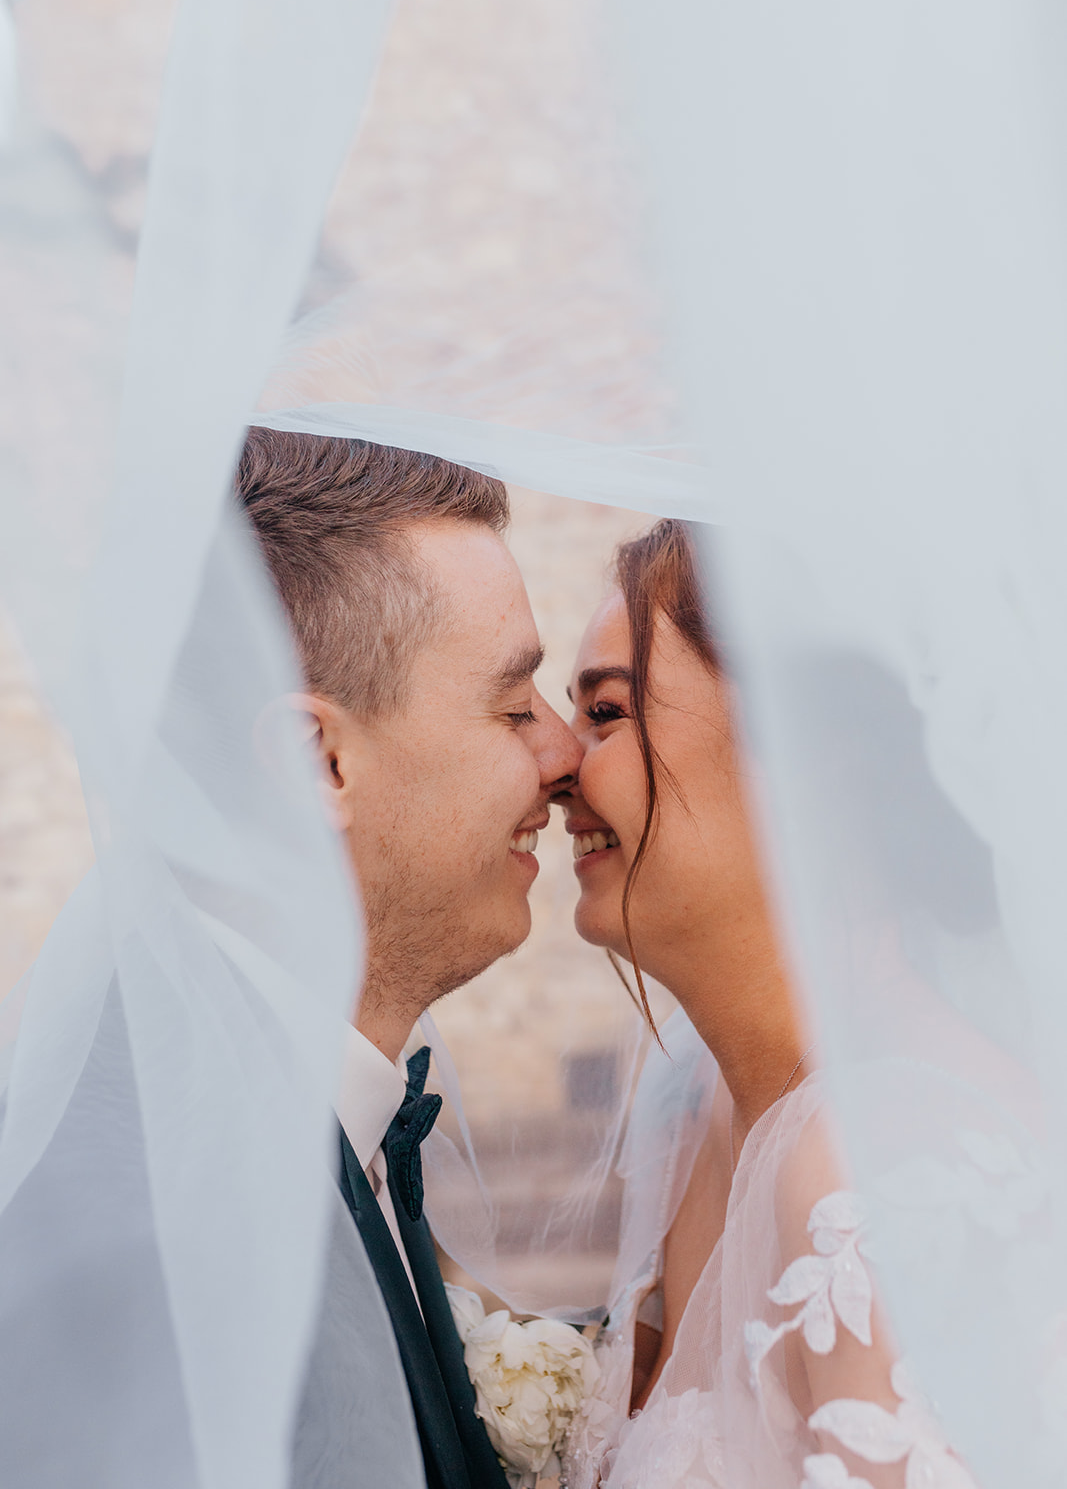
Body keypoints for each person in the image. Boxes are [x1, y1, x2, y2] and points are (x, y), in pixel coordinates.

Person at [557, 519, 980, 1489]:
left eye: (606, 712)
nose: (560, 768)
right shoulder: (686, 1115)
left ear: (797, 749)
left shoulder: (882, 1174)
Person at [235, 426, 584, 1489]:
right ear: (318, 762)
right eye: (514, 703)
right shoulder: (171, 1230)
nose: (566, 754)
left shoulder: (333, 1119)